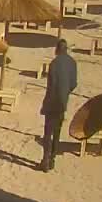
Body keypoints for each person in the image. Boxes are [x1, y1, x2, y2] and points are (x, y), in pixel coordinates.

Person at [41, 36, 77, 171]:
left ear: (57, 49)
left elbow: (51, 86)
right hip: (62, 102)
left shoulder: (54, 64)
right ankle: (52, 159)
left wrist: (46, 103)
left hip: (52, 101)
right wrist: (65, 92)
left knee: (47, 132)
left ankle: (45, 158)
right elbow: (74, 84)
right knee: (57, 132)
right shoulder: (73, 63)